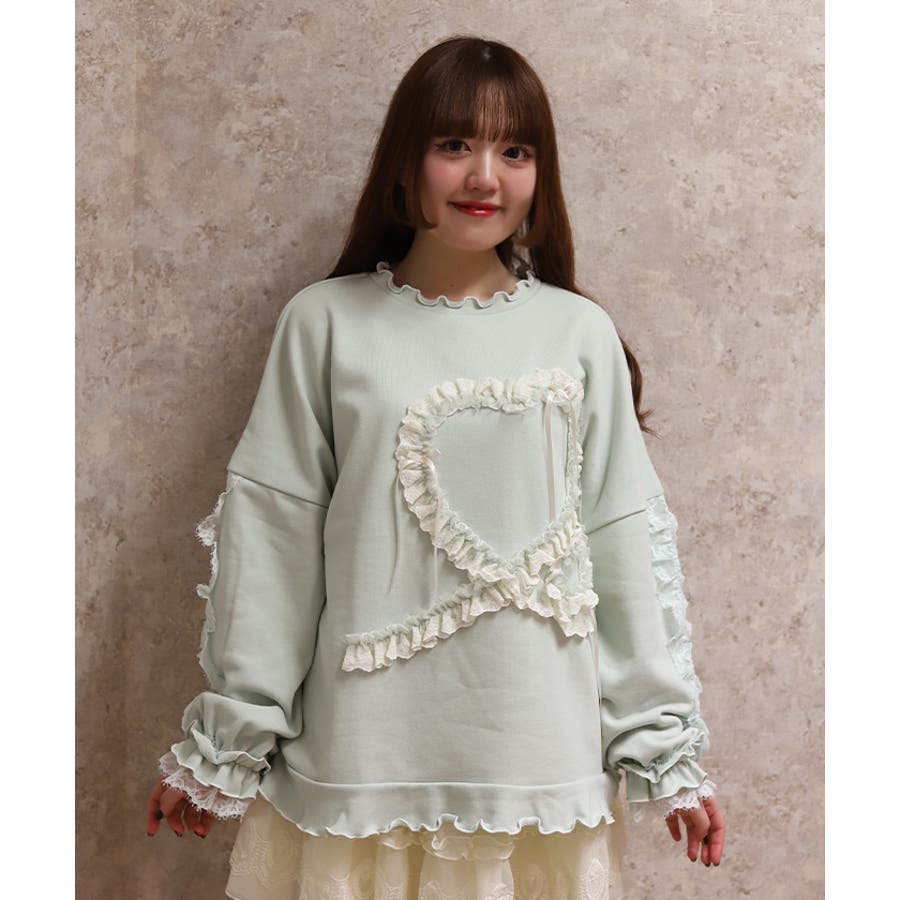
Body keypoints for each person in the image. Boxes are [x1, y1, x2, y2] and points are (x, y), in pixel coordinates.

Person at [146, 34, 726, 899]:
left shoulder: (578, 333)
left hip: (538, 770)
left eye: (515, 150)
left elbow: (623, 544)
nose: (485, 176)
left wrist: (664, 747)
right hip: (360, 767)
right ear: (406, 161)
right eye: (455, 144)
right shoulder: (324, 323)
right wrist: (227, 744)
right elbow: (273, 541)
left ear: (540, 173)